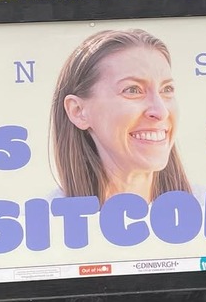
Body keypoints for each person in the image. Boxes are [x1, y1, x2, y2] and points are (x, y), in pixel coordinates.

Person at [50, 29, 192, 204]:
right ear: (78, 111)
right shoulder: (42, 225)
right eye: (132, 90)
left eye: (167, 90)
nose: (161, 111)